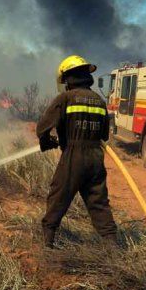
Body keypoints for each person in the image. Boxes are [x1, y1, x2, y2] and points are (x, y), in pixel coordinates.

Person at [36, 55, 118, 249]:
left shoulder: (65, 98)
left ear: (67, 78)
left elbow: (42, 127)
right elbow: (104, 135)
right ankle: (113, 247)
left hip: (73, 156)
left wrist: (47, 142)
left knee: (58, 196)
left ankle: (47, 244)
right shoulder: (99, 101)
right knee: (98, 202)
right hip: (96, 158)